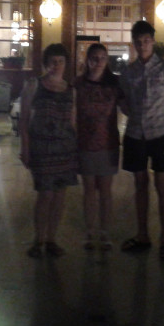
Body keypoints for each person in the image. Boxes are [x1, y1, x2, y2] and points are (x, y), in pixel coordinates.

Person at [119, 20, 164, 260]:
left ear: (152, 41)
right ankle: (142, 234)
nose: (142, 45)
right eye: (138, 41)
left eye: (146, 40)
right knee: (140, 184)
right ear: (133, 44)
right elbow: (123, 102)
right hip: (135, 134)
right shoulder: (128, 72)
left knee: (161, 184)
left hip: (160, 134)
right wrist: (137, 115)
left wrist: (155, 116)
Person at [19, 43, 78, 258]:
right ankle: (39, 239)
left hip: (65, 149)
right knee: (45, 194)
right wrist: (25, 148)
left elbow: (73, 122)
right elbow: (24, 120)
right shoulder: (34, 85)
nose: (56, 65)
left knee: (60, 196)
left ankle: (52, 239)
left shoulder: (71, 90)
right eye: (52, 61)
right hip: (42, 148)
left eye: (60, 61)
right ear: (45, 64)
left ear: (66, 64)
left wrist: (76, 149)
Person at [74, 43, 123, 251]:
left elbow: (127, 106)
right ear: (87, 60)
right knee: (88, 191)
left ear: (107, 60)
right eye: (94, 58)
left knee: (105, 191)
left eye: (103, 58)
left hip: (108, 142)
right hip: (84, 143)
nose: (98, 62)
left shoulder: (114, 84)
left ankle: (104, 232)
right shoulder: (78, 84)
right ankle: (89, 231)